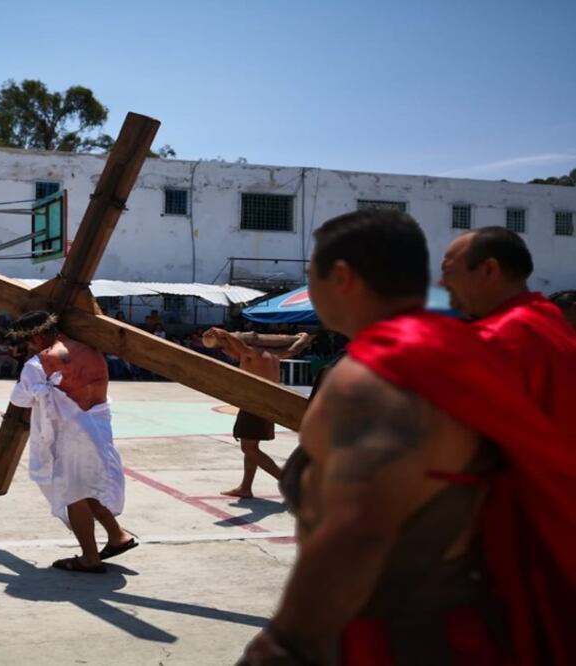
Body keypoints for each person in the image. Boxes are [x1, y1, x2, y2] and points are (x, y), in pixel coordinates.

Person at [236, 209, 575, 665]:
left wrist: (282, 647)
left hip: (407, 634)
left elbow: (358, 531)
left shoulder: (381, 375)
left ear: (341, 276)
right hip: (475, 606)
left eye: (310, 273)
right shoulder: (458, 346)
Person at [440, 227, 576, 663]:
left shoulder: (500, 342)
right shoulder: (546, 321)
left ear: (490, 270)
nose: (442, 283)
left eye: (449, 271)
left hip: (518, 554)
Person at [7, 311, 136, 574]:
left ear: (39, 335)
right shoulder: (92, 351)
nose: (30, 347)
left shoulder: (39, 363)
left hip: (70, 435)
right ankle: (117, 535)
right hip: (98, 427)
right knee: (86, 487)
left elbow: (20, 399)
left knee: (73, 494)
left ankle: (90, 557)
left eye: (30, 341)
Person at [202, 328, 311, 498]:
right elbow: (294, 349)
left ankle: (287, 480)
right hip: (267, 403)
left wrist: (226, 333)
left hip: (255, 404)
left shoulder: (253, 353)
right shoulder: (274, 355)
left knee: (249, 448)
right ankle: (246, 487)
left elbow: (241, 348)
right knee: (252, 447)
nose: (230, 352)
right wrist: (304, 337)